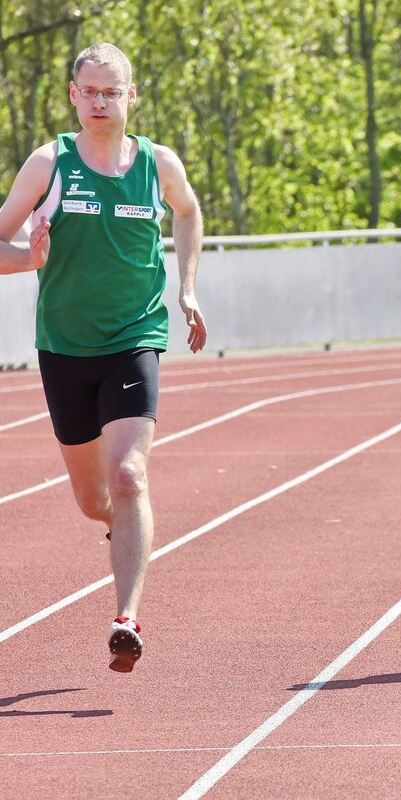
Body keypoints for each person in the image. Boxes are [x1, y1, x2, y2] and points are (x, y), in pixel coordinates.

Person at [0, 43, 207, 672]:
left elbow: (190, 212)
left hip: (136, 336)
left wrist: (188, 287)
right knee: (95, 500)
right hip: (64, 346)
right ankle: (119, 531)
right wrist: (29, 258)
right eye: (90, 92)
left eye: (111, 92)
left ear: (131, 96)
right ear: (72, 94)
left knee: (130, 476)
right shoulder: (50, 162)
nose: (100, 103)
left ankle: (127, 617)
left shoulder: (157, 163)